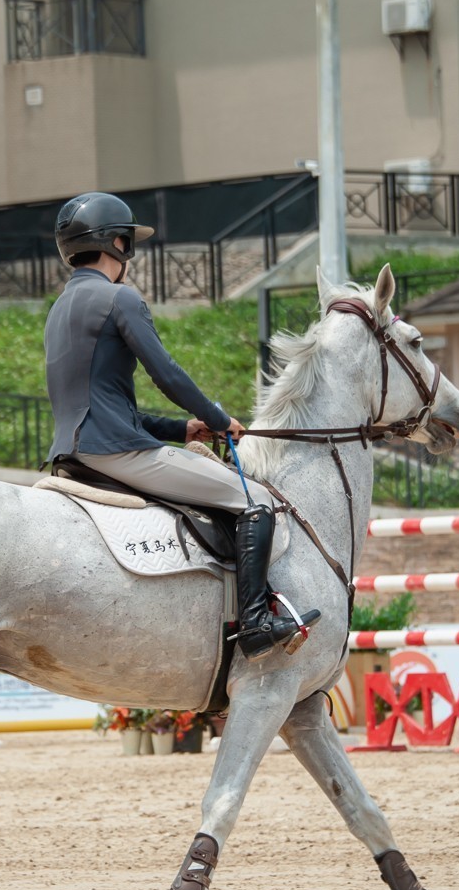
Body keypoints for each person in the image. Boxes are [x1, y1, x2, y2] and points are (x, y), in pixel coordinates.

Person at [43, 191, 294, 659]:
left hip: (73, 451)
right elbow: (168, 375)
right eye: (127, 241)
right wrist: (219, 420)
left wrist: (182, 430)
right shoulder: (119, 298)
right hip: (116, 451)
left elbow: (98, 402)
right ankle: (256, 622)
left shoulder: (59, 309)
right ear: (118, 243)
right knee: (256, 500)